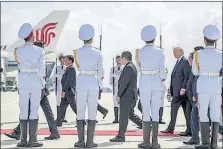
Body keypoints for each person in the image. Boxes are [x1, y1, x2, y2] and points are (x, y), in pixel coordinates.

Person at [14, 23, 45, 147]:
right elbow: (42, 70)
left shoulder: (18, 50)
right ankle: (33, 140)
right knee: (33, 110)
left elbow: (19, 67)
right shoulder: (40, 50)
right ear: (32, 35)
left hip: (23, 80)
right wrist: (42, 84)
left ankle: (23, 140)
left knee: (23, 110)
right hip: (35, 80)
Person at [74, 24, 104, 148]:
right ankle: (90, 142)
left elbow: (78, 67)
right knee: (92, 112)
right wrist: (100, 86)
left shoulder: (77, 52)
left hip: (81, 82)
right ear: (92, 37)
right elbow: (101, 72)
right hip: (93, 82)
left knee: (80, 112)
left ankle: (81, 141)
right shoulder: (98, 52)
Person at [192, 25, 222, 149]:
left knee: (203, 113)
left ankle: (205, 143)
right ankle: (214, 143)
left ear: (205, 39)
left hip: (203, 84)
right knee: (215, 113)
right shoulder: (221, 54)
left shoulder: (198, 54)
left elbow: (195, 71)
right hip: (216, 84)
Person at [136, 25, 166, 149]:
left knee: (146, 112)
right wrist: (161, 77)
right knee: (155, 112)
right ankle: (155, 142)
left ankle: (146, 141)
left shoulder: (139, 52)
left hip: (144, 82)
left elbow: (138, 69)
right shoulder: (160, 51)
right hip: (156, 82)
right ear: (154, 38)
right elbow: (163, 72)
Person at [109, 51, 142, 142]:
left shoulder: (128, 68)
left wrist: (118, 95)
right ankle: (144, 125)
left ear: (124, 58)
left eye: (121, 58)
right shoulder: (132, 66)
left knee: (123, 116)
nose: (120, 60)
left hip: (127, 96)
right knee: (130, 114)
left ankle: (121, 136)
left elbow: (124, 83)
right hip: (131, 96)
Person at [161, 47, 191, 135]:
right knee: (185, 111)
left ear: (181, 51)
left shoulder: (185, 62)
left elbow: (186, 76)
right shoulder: (178, 62)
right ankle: (188, 129)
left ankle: (172, 128)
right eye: (173, 52)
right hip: (177, 91)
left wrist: (184, 88)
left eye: (175, 52)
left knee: (176, 110)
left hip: (181, 92)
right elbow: (174, 77)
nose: (174, 54)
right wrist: (171, 87)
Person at [183, 46, 204, 145]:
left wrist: (195, 95)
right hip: (196, 96)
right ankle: (195, 138)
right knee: (195, 117)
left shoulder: (199, 68)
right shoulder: (195, 68)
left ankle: (195, 138)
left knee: (197, 116)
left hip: (199, 96)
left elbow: (197, 83)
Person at [58, 55, 77, 127]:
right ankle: (59, 121)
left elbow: (68, 81)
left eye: (66, 60)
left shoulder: (71, 69)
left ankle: (82, 120)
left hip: (69, 91)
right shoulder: (68, 68)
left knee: (74, 107)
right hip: (66, 91)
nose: (64, 61)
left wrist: (64, 90)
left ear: (70, 61)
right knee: (62, 106)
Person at [51, 54, 68, 124]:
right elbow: (53, 78)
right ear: (60, 60)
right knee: (59, 103)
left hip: (65, 88)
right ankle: (58, 118)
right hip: (58, 87)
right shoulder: (57, 68)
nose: (63, 60)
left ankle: (62, 117)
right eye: (62, 58)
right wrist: (54, 87)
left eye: (65, 58)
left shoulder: (67, 67)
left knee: (64, 103)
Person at [109, 55, 122, 123]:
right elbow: (110, 80)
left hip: (122, 89)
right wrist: (113, 85)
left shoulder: (124, 68)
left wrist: (116, 76)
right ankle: (116, 119)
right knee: (115, 104)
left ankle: (121, 119)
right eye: (117, 59)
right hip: (115, 89)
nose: (118, 60)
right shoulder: (113, 69)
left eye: (119, 59)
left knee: (121, 104)